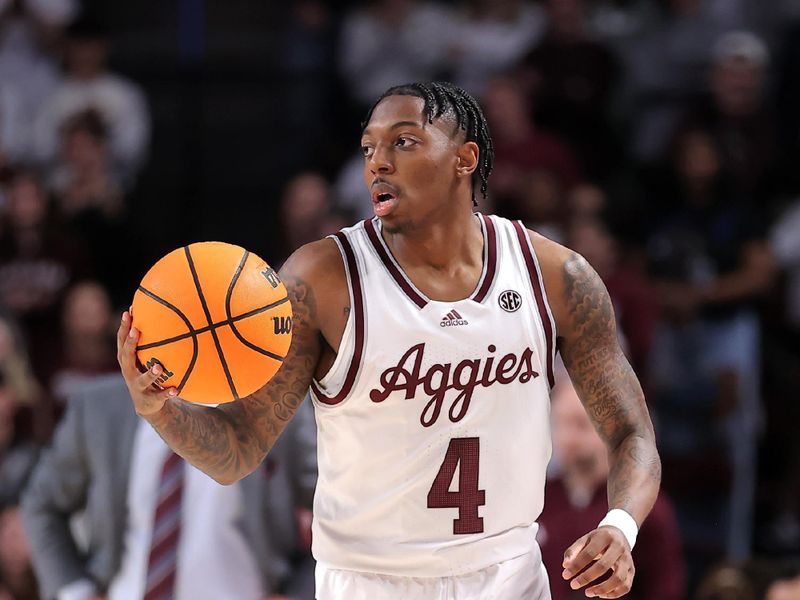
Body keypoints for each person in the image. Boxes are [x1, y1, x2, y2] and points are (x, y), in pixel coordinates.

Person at [116, 81, 661, 599]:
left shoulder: (555, 276)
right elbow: (236, 451)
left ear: (465, 160)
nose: (378, 161)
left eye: (403, 142)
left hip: (509, 574)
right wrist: (159, 409)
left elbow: (632, 433)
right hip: (369, 580)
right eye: (369, 147)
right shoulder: (323, 280)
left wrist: (621, 525)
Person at [21, 374, 317, 600]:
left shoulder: (278, 406)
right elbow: (42, 504)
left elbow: (336, 510)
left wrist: (299, 593)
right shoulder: (99, 406)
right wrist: (75, 591)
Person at [539, 367, 684, 600]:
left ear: (613, 430)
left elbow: (665, 589)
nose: (569, 439)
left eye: (581, 425)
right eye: (561, 423)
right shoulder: (538, 499)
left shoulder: (642, 508)